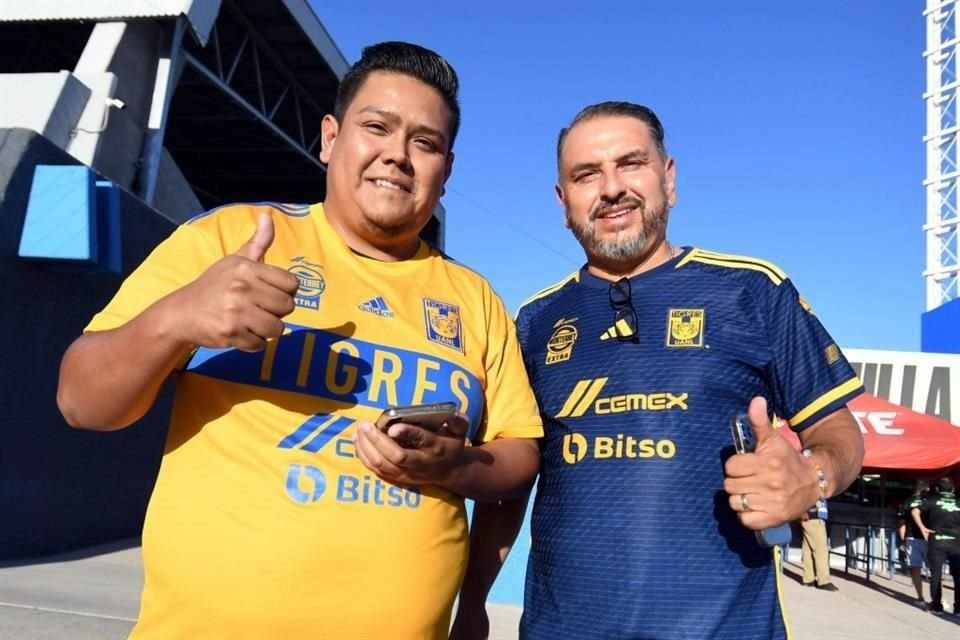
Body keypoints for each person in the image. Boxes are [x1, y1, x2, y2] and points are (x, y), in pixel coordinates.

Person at [56, 42, 542, 639]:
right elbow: (81, 402)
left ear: (446, 171)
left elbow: (519, 456)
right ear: (331, 138)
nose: (398, 155)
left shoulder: (475, 299)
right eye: (377, 127)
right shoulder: (228, 238)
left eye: (426, 142)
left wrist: (461, 464)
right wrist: (177, 318)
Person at [450, 102, 865, 640]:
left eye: (631, 164)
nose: (611, 188)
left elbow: (839, 432)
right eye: (586, 174)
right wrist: (474, 601)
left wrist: (811, 477)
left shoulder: (752, 290)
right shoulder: (534, 322)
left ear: (668, 178)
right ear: (563, 201)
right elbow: (512, 485)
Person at [921, 478, 960, 616]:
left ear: (937, 489)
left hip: (936, 541)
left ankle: (937, 606)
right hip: (956, 543)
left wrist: (923, 528)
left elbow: (914, 511)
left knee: (936, 575)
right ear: (953, 489)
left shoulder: (932, 500)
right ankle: (958, 609)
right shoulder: (958, 501)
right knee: (958, 576)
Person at [897, 479, 931, 607]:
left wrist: (902, 539)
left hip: (912, 538)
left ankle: (920, 598)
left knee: (915, 568)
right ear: (926, 489)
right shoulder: (929, 501)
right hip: (928, 538)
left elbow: (901, 523)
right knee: (935, 569)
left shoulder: (907, 501)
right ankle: (938, 599)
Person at [800, 509, 837, 591]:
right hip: (813, 516)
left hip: (808, 516)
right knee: (821, 549)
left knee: (808, 548)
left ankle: (808, 579)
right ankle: (823, 581)